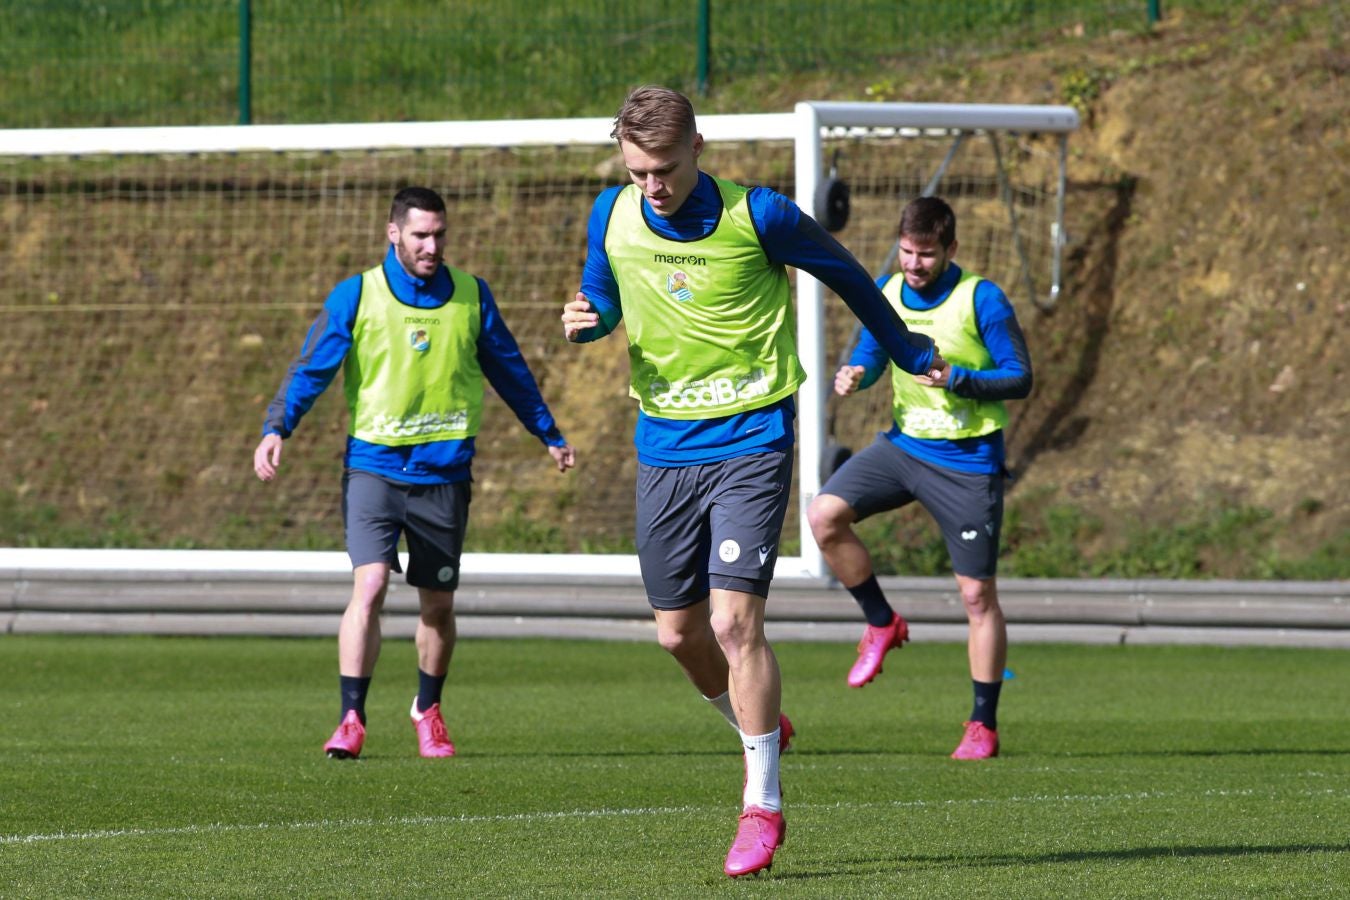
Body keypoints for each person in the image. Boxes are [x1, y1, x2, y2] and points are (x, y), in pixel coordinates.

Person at [561, 86, 945, 877]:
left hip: (751, 438)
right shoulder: (611, 212)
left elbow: (848, 277)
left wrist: (904, 351)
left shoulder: (760, 215)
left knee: (737, 626)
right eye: (637, 172)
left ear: (698, 144)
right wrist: (590, 318)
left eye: (663, 169)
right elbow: (603, 289)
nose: (653, 187)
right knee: (678, 634)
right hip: (664, 444)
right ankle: (758, 722)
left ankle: (762, 804)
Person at [254, 186, 575, 760]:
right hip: (373, 466)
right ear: (393, 233)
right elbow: (311, 370)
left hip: (445, 472)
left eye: (440, 234)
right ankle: (351, 717)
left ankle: (428, 709)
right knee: (370, 584)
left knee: (437, 606)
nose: (432, 245)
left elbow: (510, 370)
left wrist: (547, 432)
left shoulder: (472, 297)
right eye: (421, 234)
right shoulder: (357, 295)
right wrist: (278, 426)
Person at [807, 195, 1032, 761]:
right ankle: (881, 623)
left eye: (926, 254)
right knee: (824, 515)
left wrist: (959, 378)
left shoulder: (981, 298)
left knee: (977, 595)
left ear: (950, 249)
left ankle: (982, 724)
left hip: (967, 460)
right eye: (907, 251)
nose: (913, 263)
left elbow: (1019, 377)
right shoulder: (886, 290)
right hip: (904, 448)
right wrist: (858, 371)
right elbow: (876, 348)